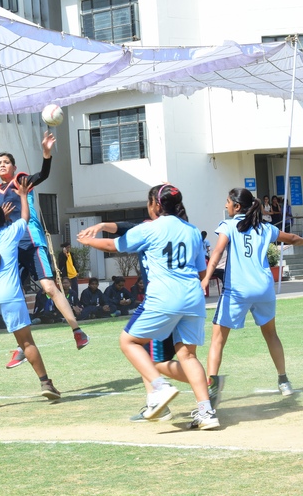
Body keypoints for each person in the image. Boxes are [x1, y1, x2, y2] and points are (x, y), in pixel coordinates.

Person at [78, 184, 218, 430]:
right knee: (187, 355)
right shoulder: (193, 230)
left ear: (155, 204)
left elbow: (113, 246)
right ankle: (206, 412)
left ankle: (159, 388)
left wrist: (88, 241)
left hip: (164, 295)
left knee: (129, 342)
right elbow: (200, 271)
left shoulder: (149, 229)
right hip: (193, 297)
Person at [201, 188, 303, 406]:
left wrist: (206, 278)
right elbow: (292, 238)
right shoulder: (265, 227)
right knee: (271, 335)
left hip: (238, 290)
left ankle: (212, 388)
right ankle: (284, 381)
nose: (226, 205)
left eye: (228, 201)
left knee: (217, 339)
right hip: (264, 289)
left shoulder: (228, 225)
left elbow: (217, 252)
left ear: (237, 206)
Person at [0, 131, 89, 370]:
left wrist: (46, 154)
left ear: (14, 167)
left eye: (6, 162)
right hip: (11, 247)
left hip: (31, 241)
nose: (2, 165)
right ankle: (22, 347)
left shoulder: (21, 181)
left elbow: (43, 175)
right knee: (11, 296)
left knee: (48, 287)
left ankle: (77, 330)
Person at [0, 178, 61, 409]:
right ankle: (45, 383)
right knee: (27, 343)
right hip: (10, 295)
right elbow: (25, 218)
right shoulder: (13, 231)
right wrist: (22, 195)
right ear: (5, 219)